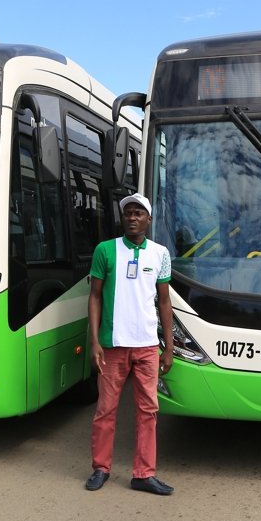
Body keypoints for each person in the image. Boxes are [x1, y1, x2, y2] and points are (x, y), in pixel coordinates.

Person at [85, 193, 175, 496]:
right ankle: (101, 467)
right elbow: (94, 296)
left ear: (149, 220)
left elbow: (164, 302)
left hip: (148, 346)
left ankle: (143, 474)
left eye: (139, 213)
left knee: (148, 411)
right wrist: (94, 340)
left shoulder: (160, 254)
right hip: (113, 346)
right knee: (105, 409)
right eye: (128, 213)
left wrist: (169, 347)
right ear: (123, 219)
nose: (133, 217)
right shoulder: (105, 251)